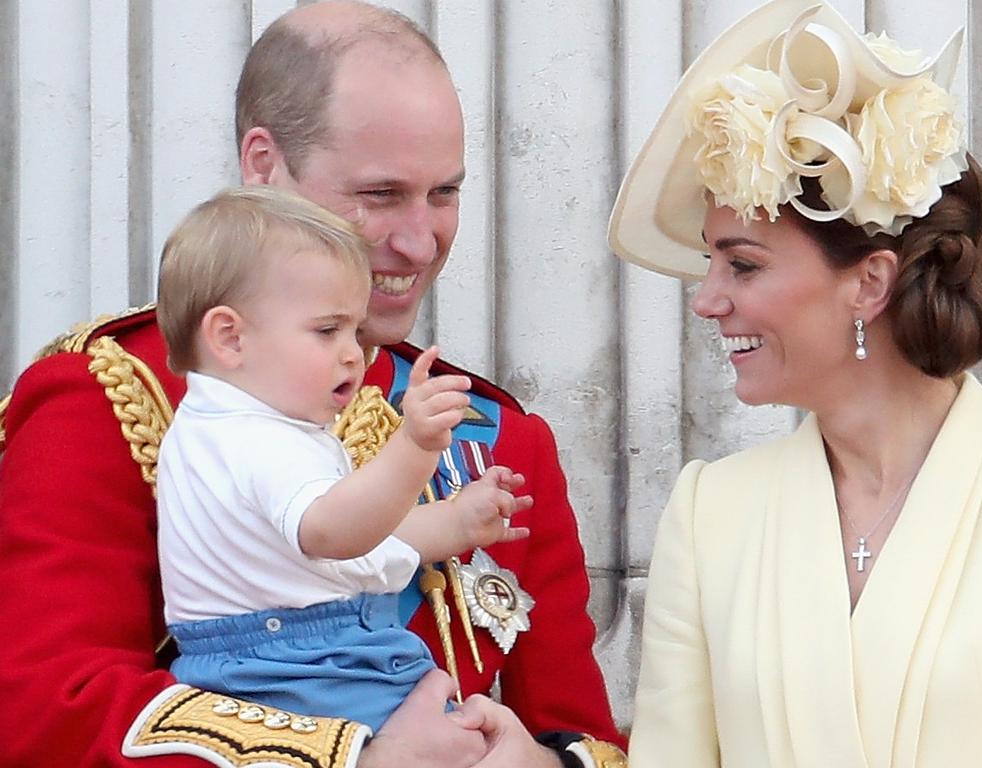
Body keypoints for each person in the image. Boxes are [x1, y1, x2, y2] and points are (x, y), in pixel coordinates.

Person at [0, 2, 626, 767]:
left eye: (444, 193)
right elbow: (44, 709)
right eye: (380, 194)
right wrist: (354, 756)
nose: (420, 240)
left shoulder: (494, 433)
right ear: (264, 167)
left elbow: (579, 730)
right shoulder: (111, 399)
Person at [608, 0, 982, 765]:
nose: (706, 299)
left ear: (868, 283)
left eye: (743, 263)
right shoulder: (710, 515)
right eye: (711, 262)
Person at [155, 186, 529, 732]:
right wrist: (414, 448)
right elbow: (335, 533)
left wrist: (457, 521)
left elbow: (351, 542)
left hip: (272, 660)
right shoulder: (259, 438)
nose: (354, 351)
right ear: (230, 337)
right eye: (327, 330)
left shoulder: (217, 424)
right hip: (306, 665)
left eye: (354, 329)